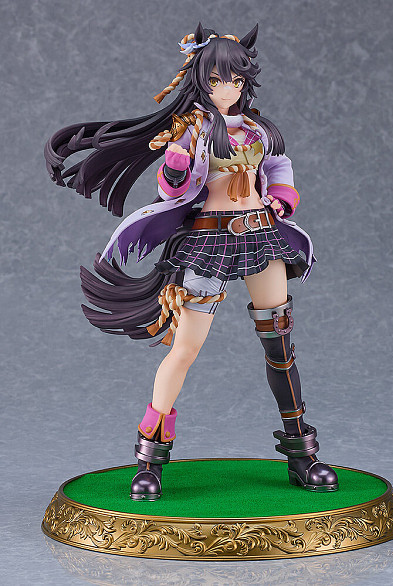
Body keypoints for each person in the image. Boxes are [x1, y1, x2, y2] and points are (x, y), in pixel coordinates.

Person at [45, 23, 339, 501]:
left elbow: (278, 165)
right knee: (184, 348)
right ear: (202, 80)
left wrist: (283, 196)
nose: (228, 89)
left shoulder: (259, 129)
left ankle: (301, 454)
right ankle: (149, 458)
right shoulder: (192, 129)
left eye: (237, 80)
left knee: (280, 344)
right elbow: (171, 190)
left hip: (261, 236)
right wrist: (177, 163)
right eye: (218, 80)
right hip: (210, 240)